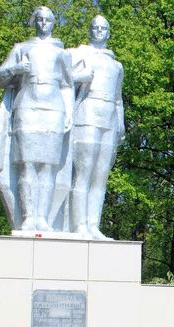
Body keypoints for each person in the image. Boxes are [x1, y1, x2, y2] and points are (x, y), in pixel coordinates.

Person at [0, 6, 74, 231]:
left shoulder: (62, 52)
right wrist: (16, 68)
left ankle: (42, 217)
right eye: (40, 20)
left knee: (48, 166)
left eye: (48, 20)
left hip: (54, 109)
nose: (44, 24)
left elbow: (67, 85)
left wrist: (69, 113)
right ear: (34, 22)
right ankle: (28, 216)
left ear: (53, 22)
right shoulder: (21, 48)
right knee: (26, 165)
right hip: (27, 107)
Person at [68, 15, 124, 239]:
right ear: (90, 30)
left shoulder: (116, 65)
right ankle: (79, 225)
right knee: (84, 173)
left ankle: (93, 225)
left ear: (108, 32)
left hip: (109, 118)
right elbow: (64, 79)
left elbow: (118, 98)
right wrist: (80, 76)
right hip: (87, 112)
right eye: (95, 27)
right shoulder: (80, 55)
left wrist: (121, 124)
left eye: (103, 28)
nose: (99, 31)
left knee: (101, 176)